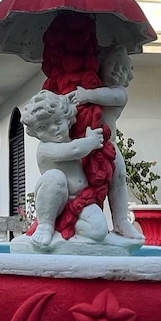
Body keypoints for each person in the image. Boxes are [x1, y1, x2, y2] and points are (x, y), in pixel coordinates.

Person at [67, 44, 142, 241]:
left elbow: (111, 97)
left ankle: (121, 221)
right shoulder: (89, 83)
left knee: (119, 175)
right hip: (83, 143)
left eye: (123, 69)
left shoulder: (118, 93)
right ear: (101, 64)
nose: (118, 71)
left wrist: (87, 95)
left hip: (108, 143)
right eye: (114, 65)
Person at [21, 90, 107, 247]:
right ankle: (46, 225)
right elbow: (74, 150)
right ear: (35, 132)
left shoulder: (73, 140)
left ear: (68, 120)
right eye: (43, 127)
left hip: (80, 199)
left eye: (57, 122)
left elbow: (76, 147)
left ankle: (71, 228)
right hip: (57, 200)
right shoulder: (45, 149)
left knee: (99, 231)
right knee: (54, 177)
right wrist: (92, 141)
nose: (53, 129)